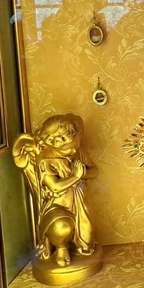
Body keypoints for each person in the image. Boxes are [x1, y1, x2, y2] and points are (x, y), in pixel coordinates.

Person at [13, 114, 98, 267]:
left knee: (87, 237)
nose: (73, 150)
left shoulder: (77, 152)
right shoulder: (46, 160)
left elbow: (95, 171)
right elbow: (54, 186)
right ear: (54, 143)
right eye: (68, 149)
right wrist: (75, 177)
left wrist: (83, 173)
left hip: (79, 204)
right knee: (61, 228)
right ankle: (61, 247)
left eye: (76, 145)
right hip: (57, 207)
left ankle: (80, 245)